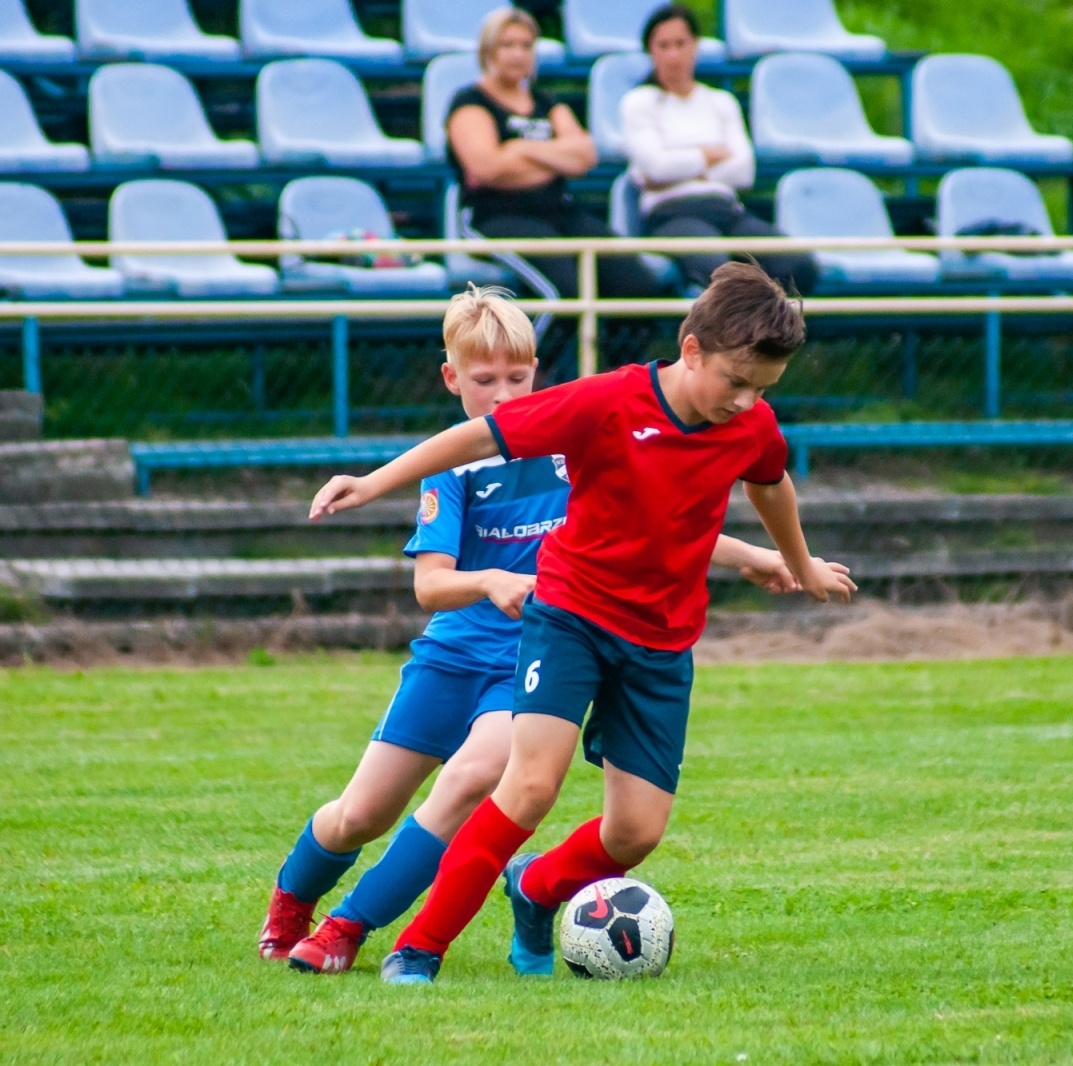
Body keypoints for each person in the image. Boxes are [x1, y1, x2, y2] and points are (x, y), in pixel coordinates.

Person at [259, 284, 845, 975]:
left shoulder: (741, 424)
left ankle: (532, 888)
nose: (747, 401)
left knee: (631, 831)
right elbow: (472, 456)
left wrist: (787, 562)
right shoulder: (597, 407)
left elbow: (734, 494)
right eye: (737, 382)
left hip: (645, 641)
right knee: (429, 803)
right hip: (532, 631)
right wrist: (374, 482)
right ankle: (386, 937)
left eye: (762, 389)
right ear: (691, 350)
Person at [446, 7, 666, 301]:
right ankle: (542, 335)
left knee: (638, 286)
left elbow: (584, 155)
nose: (518, 54)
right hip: (496, 216)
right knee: (566, 292)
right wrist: (555, 161)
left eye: (526, 45)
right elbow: (487, 167)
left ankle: (610, 335)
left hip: (559, 211)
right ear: (488, 51)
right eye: (507, 45)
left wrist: (519, 149)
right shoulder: (470, 102)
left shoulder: (546, 102)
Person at [621, 4, 818, 295]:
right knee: (719, 270)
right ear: (651, 51)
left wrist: (680, 165)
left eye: (680, 43)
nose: (673, 54)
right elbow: (655, 167)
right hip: (671, 213)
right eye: (663, 46)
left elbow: (743, 171)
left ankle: (770, 326)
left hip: (727, 211)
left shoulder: (721, 102)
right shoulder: (638, 102)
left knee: (798, 264)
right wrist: (709, 156)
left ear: (695, 46)